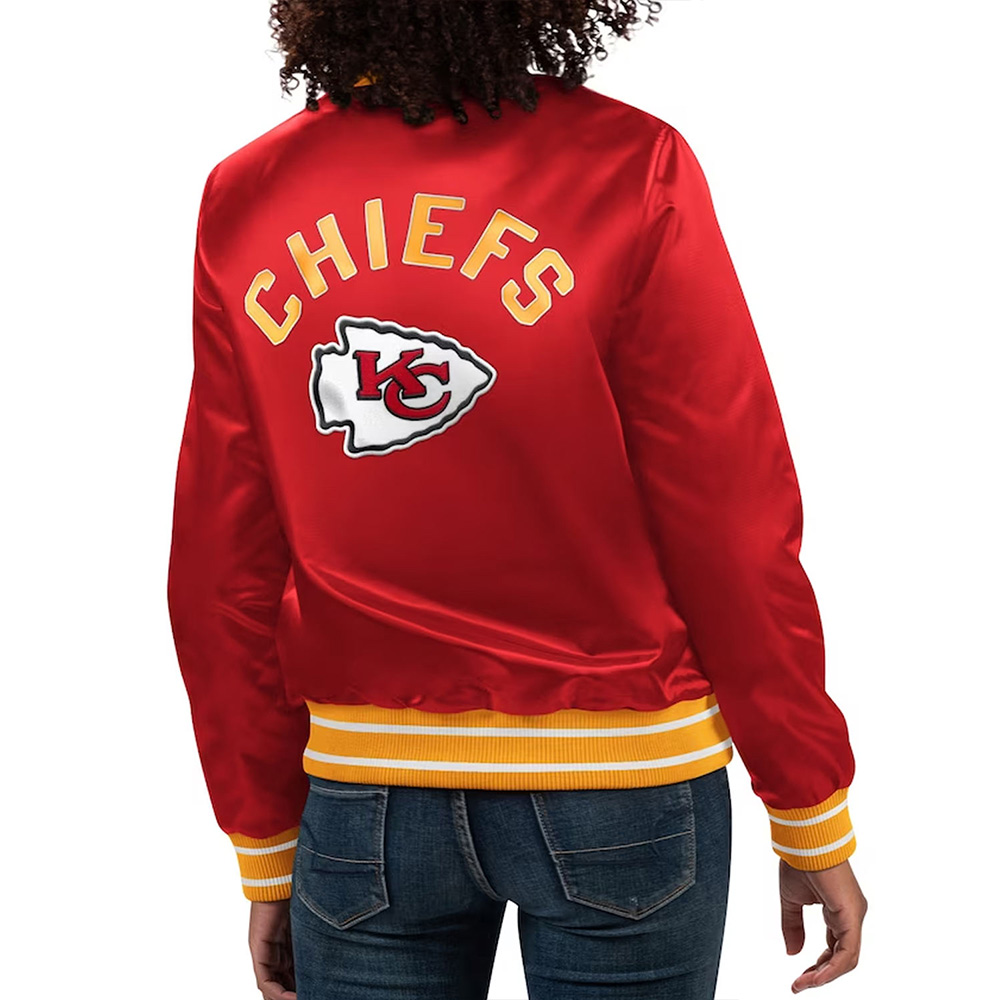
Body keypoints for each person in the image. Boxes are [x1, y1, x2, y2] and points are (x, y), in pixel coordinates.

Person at [166, 2, 867, 998]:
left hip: (364, 805)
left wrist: (266, 836)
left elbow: (220, 558)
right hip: (624, 785)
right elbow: (731, 520)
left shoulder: (249, 196)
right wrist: (807, 806)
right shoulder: (630, 166)